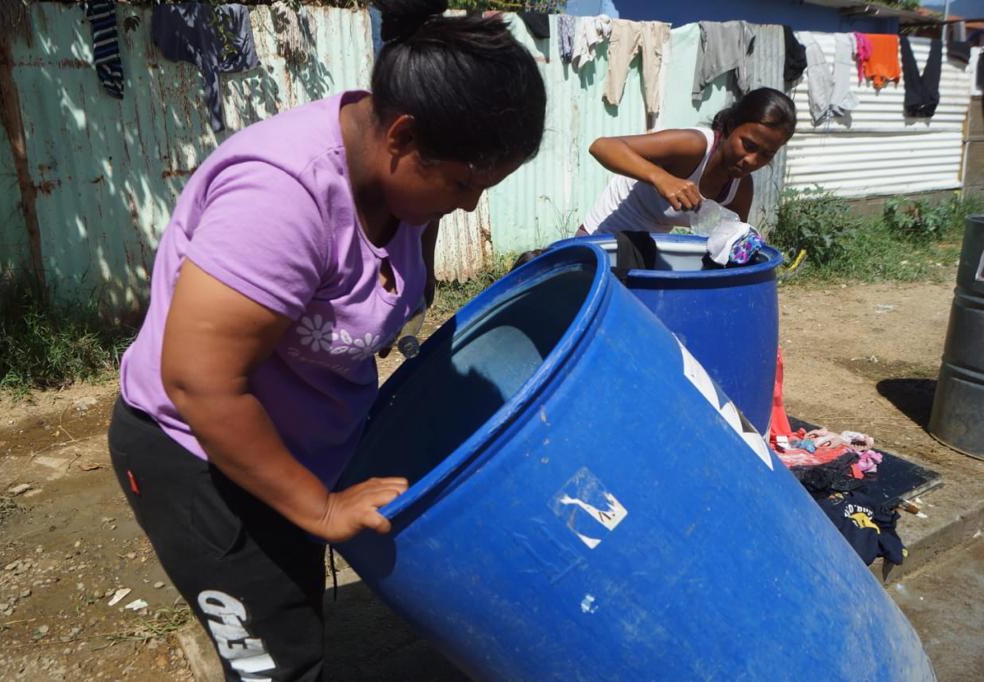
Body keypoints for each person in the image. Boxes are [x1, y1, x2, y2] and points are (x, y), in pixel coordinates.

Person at [107, 0, 546, 679]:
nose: (468, 205)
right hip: (199, 455)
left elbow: (387, 295)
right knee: (276, 664)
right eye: (463, 183)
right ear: (401, 137)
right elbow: (200, 381)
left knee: (292, 610)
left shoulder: (401, 187)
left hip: (290, 447)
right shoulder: (281, 197)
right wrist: (320, 506)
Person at [579, 87, 796, 237]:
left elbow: (731, 239)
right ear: (730, 126)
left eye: (767, 154)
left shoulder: (739, 189)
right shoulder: (694, 145)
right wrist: (661, 178)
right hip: (601, 236)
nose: (752, 160)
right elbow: (602, 146)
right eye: (748, 145)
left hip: (647, 247)